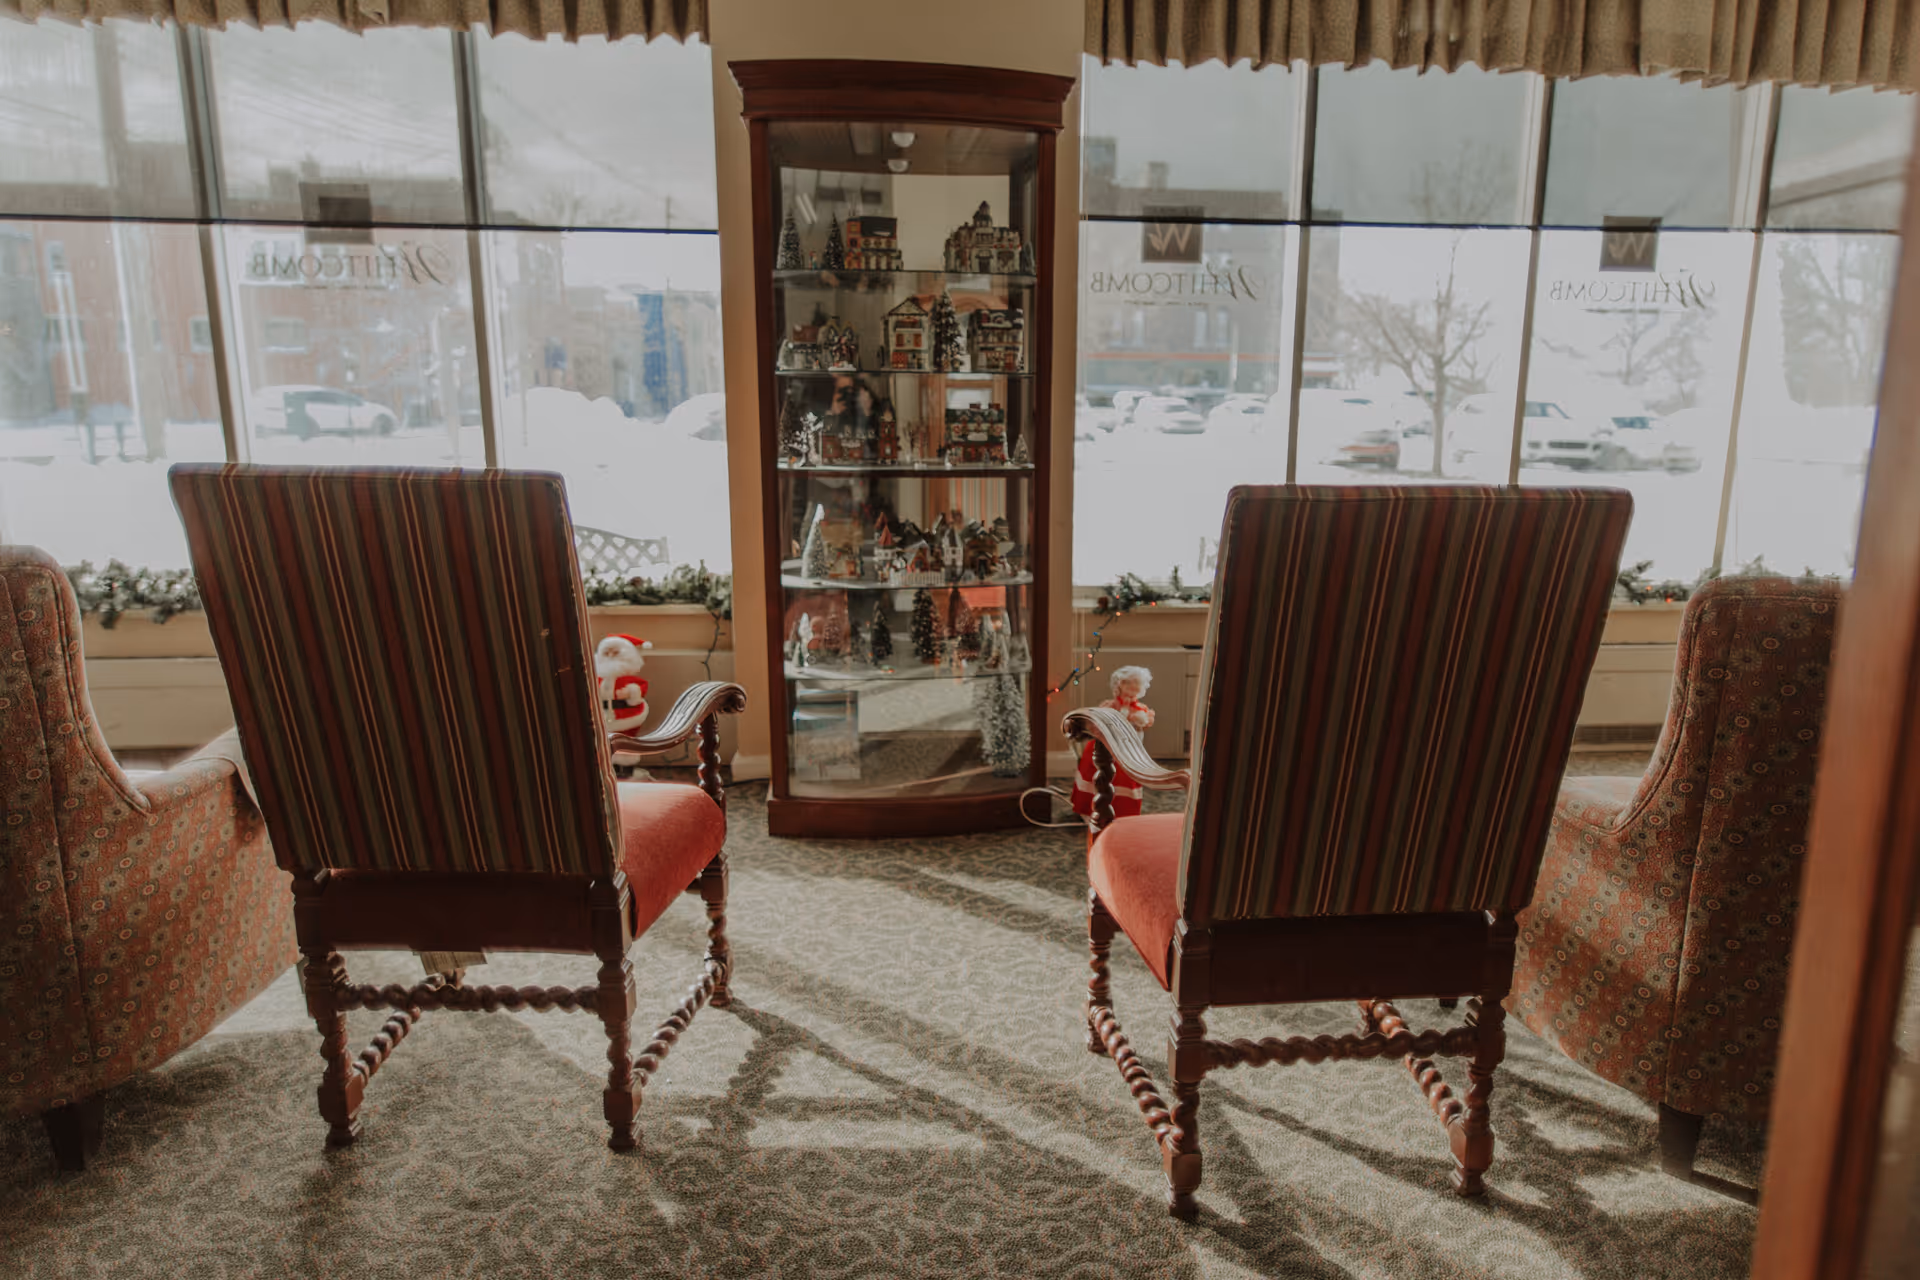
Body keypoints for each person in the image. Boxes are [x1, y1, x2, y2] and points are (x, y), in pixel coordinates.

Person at [1070, 665, 1155, 821]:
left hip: (1128, 750)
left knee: (1126, 779)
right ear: (1118, 685)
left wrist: (1139, 721)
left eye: (1136, 683)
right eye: (1127, 683)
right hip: (1106, 748)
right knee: (1098, 773)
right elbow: (1097, 726)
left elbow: (1145, 725)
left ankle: (1124, 812)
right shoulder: (1109, 706)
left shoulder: (1141, 709)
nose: (1132, 686)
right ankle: (1090, 809)